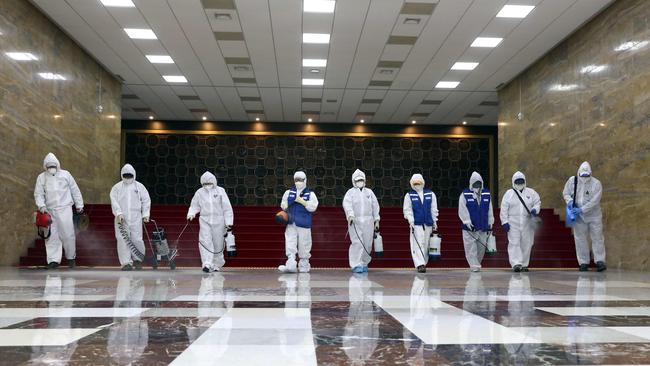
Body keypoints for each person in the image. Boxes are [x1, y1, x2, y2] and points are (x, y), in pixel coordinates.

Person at [34, 153, 84, 269]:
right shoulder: (42, 177)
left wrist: (79, 205)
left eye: (53, 165)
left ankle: (71, 258)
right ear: (45, 166)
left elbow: (74, 189)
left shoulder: (66, 175)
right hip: (49, 211)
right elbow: (38, 193)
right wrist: (41, 206)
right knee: (51, 236)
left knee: (68, 235)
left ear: (58, 164)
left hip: (64, 208)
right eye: (49, 166)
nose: (51, 168)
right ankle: (53, 260)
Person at [563, 161, 606, 272]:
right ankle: (583, 262)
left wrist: (581, 209)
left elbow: (595, 201)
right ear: (579, 173)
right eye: (583, 175)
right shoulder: (572, 181)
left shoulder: (596, 183)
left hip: (594, 216)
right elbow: (566, 193)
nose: (584, 177)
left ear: (590, 173)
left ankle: (600, 261)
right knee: (580, 239)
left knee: (597, 238)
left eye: (587, 175)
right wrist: (570, 201)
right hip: (578, 218)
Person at [187, 172, 234, 273]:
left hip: (219, 221)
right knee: (205, 241)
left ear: (214, 181)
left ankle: (217, 263)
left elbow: (227, 208)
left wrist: (228, 222)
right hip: (205, 220)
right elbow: (195, 205)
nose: (207, 185)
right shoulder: (199, 192)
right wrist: (191, 214)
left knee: (218, 243)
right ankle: (207, 263)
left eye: (209, 183)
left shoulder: (220, 191)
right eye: (205, 183)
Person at [110, 164, 151, 271]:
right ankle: (126, 263)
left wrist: (145, 214)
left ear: (134, 175)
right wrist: (119, 213)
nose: (128, 178)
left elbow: (146, 200)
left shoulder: (139, 186)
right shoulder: (117, 187)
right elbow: (114, 202)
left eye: (130, 175)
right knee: (123, 240)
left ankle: (138, 259)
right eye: (126, 175)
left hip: (136, 217)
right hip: (121, 219)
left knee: (137, 239)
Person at [278, 171, 319, 273]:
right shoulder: (288, 192)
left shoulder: (311, 194)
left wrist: (304, 202)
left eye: (300, 180)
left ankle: (304, 265)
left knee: (304, 244)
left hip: (304, 224)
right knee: (290, 242)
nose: (298, 182)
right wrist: (285, 206)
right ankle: (291, 263)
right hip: (291, 223)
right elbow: (283, 203)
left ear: (305, 180)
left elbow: (313, 207)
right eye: (296, 180)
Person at [500, 171, 541, 272]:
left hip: (527, 222)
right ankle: (516, 263)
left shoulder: (531, 193)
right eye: (517, 181)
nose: (519, 183)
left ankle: (524, 264)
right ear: (513, 182)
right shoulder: (509, 194)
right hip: (513, 222)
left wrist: (535, 210)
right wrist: (504, 221)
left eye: (521, 181)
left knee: (527, 243)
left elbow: (537, 202)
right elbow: (504, 208)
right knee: (514, 243)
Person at [343, 169, 380, 273]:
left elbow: (375, 206)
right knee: (357, 242)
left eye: (361, 180)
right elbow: (347, 204)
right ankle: (356, 264)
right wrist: (350, 215)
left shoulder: (369, 192)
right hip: (355, 221)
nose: (360, 181)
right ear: (353, 181)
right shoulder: (350, 193)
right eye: (357, 180)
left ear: (364, 180)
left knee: (367, 243)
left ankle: (364, 263)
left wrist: (376, 219)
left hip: (368, 221)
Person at [458, 171, 494, 272]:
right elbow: (462, 210)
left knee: (481, 248)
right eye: (475, 183)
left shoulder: (486, 194)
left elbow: (489, 209)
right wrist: (467, 222)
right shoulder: (465, 194)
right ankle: (474, 266)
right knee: (470, 248)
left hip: (483, 226)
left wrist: (490, 222)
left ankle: (477, 264)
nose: (477, 185)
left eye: (479, 183)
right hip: (470, 228)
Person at [403, 174, 439, 273]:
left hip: (428, 223)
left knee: (426, 244)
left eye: (419, 183)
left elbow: (433, 209)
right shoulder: (409, 195)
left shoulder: (430, 194)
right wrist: (411, 220)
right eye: (415, 183)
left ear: (422, 182)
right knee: (417, 244)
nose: (417, 185)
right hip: (416, 224)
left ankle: (424, 262)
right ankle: (419, 264)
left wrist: (435, 221)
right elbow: (407, 210)